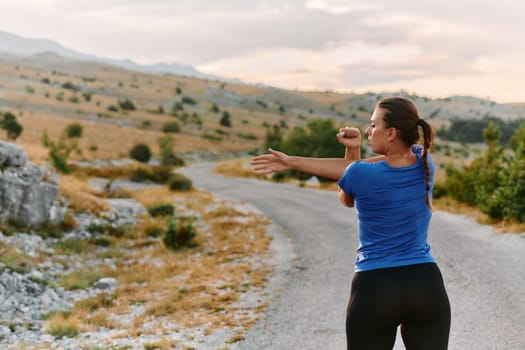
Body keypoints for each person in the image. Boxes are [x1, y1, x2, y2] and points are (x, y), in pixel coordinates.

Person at [251, 97, 450, 350]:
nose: (368, 131)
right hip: (426, 285)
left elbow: (347, 197)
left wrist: (292, 161)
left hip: (376, 288)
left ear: (391, 133)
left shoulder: (361, 174)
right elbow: (355, 171)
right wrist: (353, 155)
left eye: (373, 125)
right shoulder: (424, 162)